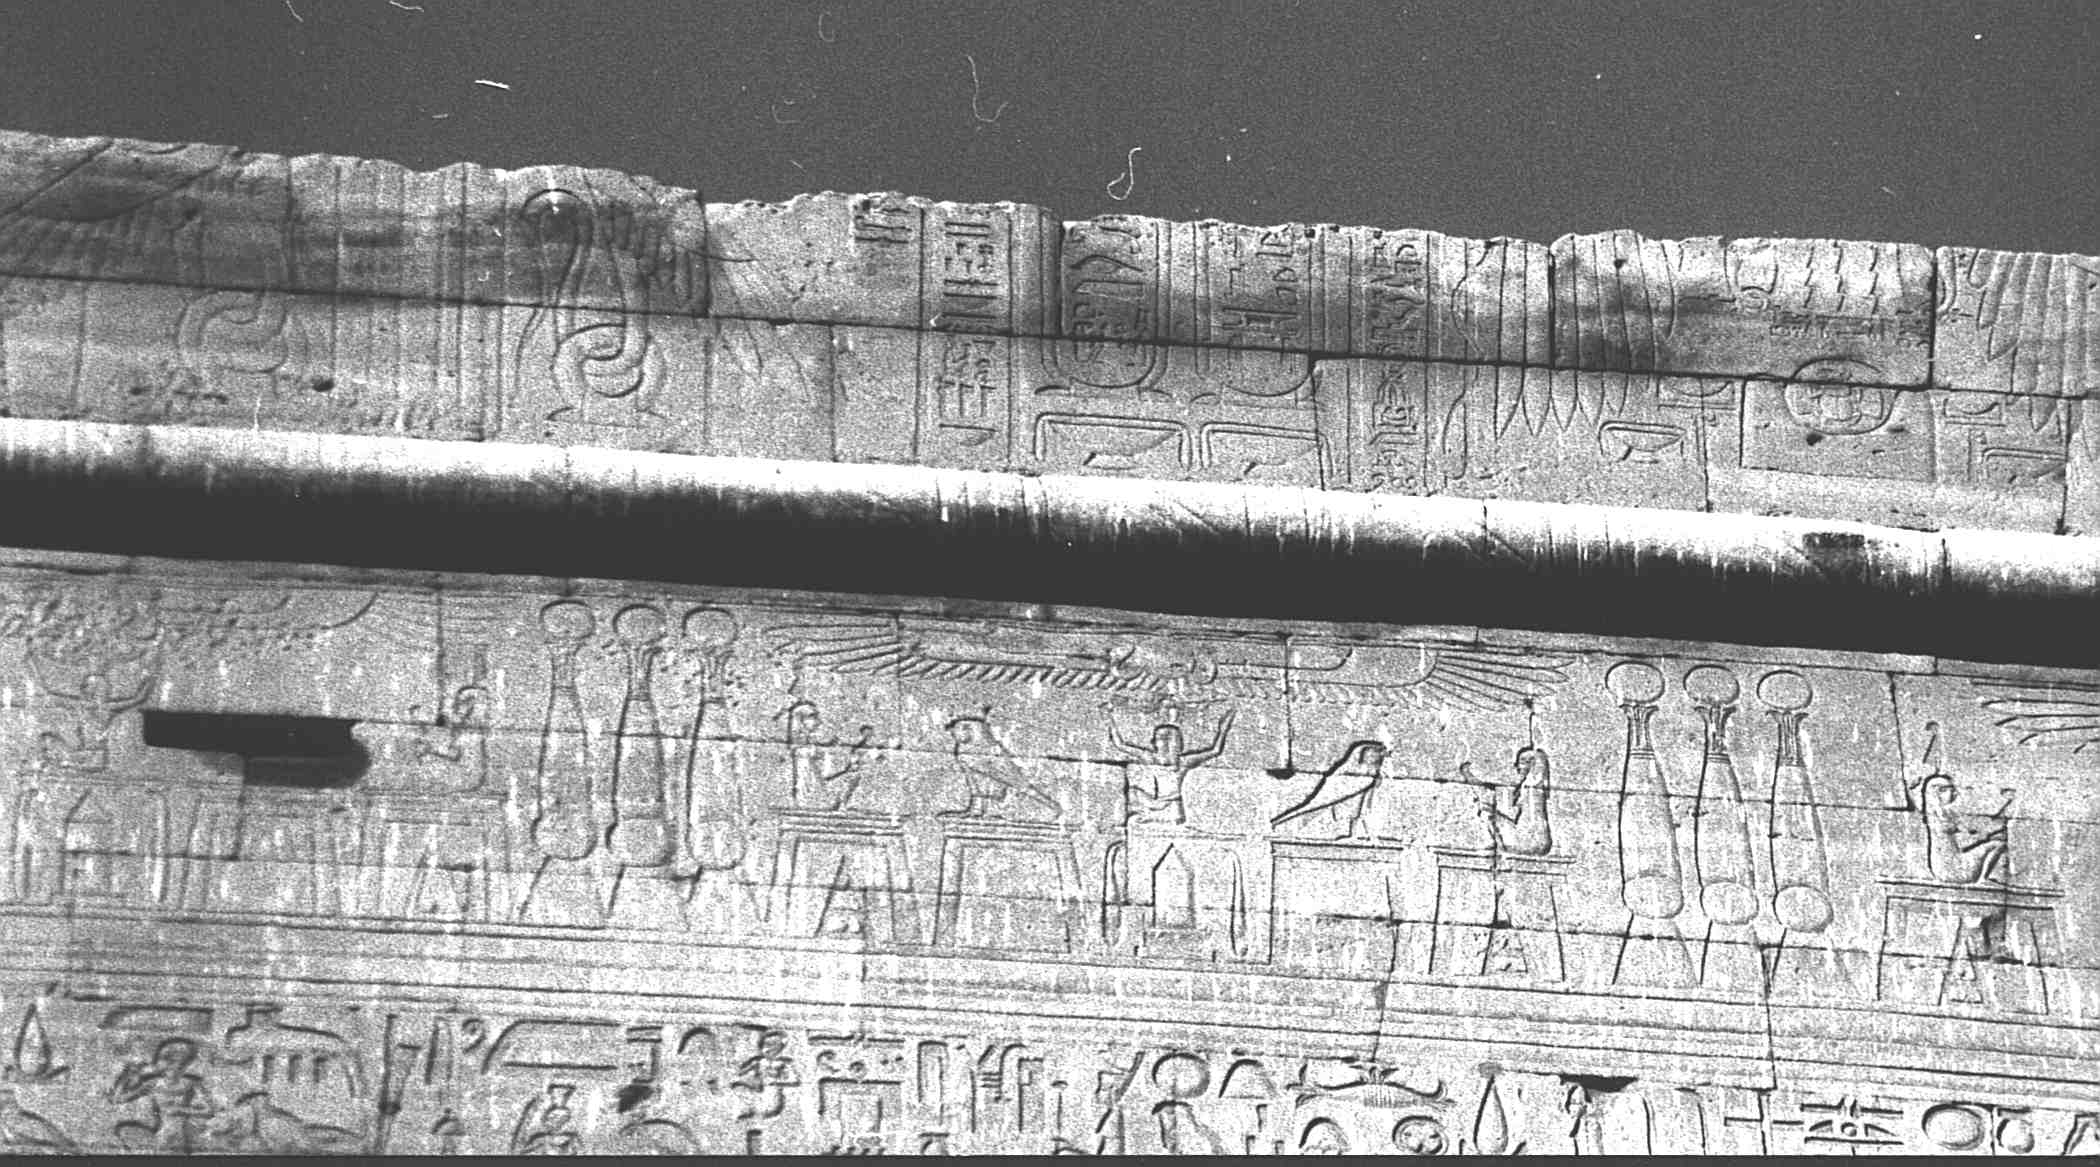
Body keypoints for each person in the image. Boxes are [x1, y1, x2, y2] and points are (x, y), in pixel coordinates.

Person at [1108, 710, 1235, 826]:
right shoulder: (1150, 758)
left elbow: (1215, 751)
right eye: (1162, 738)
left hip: (1173, 804)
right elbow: (1120, 745)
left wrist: (1223, 730)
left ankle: (1153, 816)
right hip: (1157, 804)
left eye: (1171, 739)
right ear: (1154, 743)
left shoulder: (1184, 761)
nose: (1167, 743)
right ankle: (1148, 815)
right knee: (1132, 793)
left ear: (1180, 745)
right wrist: (1110, 719)